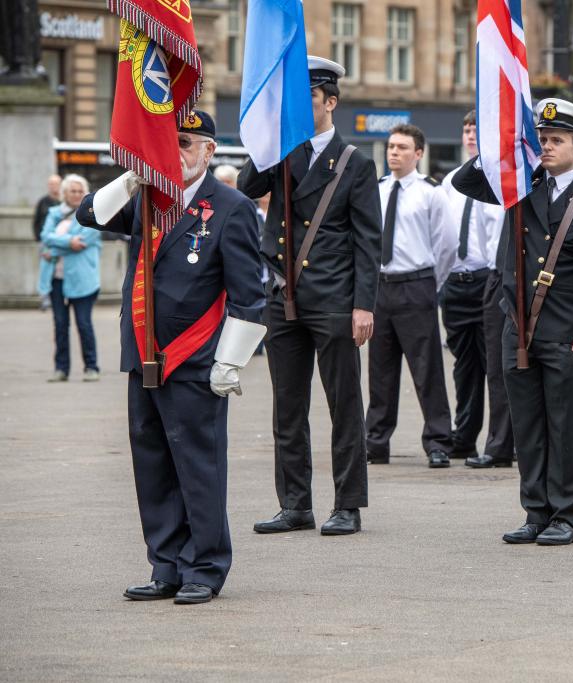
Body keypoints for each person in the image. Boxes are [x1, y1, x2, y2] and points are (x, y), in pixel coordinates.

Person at [77, 110, 266, 604]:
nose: (175, 151)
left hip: (195, 359)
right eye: (167, 141)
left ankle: (205, 566)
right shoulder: (146, 199)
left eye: (184, 142)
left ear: (208, 151)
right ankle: (166, 565)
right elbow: (88, 215)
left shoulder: (231, 207)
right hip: (143, 354)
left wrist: (230, 361)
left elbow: (249, 293)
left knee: (198, 467)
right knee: (153, 465)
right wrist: (133, 175)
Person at [452, 98, 573, 546]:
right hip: (519, 327)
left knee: (564, 425)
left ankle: (564, 514)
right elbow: (464, 180)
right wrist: (506, 148)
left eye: (555, 140)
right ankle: (535, 510)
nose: (545, 146)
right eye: (541, 139)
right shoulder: (519, 185)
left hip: (566, 329)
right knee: (526, 423)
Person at [241, 56, 382, 537]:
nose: (300, 108)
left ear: (330, 102)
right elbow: (246, 187)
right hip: (283, 297)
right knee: (287, 406)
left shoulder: (355, 164)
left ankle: (348, 504)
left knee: (343, 404)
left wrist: (365, 305)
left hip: (335, 299)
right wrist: (269, 138)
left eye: (309, 100)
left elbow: (368, 240)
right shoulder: (281, 152)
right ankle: (295, 503)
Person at [365, 123, 456, 468]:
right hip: (380, 287)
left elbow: (446, 245)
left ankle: (438, 441)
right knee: (380, 370)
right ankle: (376, 441)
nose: (394, 153)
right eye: (391, 146)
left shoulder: (431, 193)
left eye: (402, 147)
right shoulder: (377, 190)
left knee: (426, 368)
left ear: (418, 154)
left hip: (416, 285)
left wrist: (429, 285)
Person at [440, 111, 503, 463]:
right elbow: (443, 235)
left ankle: (498, 441)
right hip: (457, 281)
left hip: (486, 278)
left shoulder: (498, 179)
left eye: (476, 129)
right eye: (466, 129)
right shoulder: (451, 180)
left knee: (494, 364)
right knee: (464, 366)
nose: (470, 135)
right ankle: (464, 436)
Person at [38, 174, 101, 382]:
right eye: (72, 191)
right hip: (56, 279)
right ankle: (61, 369)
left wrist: (54, 249)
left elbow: (82, 241)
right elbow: (45, 236)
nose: (76, 194)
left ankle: (92, 367)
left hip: (83, 280)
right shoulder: (54, 213)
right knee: (60, 325)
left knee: (84, 324)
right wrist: (66, 242)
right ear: (64, 193)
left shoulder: (93, 215)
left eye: (80, 191)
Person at [33, 173, 61, 241]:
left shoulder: (65, 201)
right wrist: (39, 238)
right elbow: (36, 221)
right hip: (45, 239)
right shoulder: (42, 202)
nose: (54, 186)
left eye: (56, 184)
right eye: (51, 184)